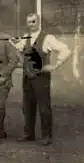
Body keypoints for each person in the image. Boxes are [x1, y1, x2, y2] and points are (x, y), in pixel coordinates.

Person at [11, 13, 71, 145]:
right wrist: (22, 62)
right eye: (29, 22)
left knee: (44, 107)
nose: (31, 24)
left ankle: (46, 136)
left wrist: (55, 66)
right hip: (27, 77)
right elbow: (16, 49)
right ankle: (29, 134)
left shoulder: (47, 38)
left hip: (41, 78)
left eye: (33, 22)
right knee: (27, 106)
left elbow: (65, 50)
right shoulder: (26, 37)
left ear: (38, 22)